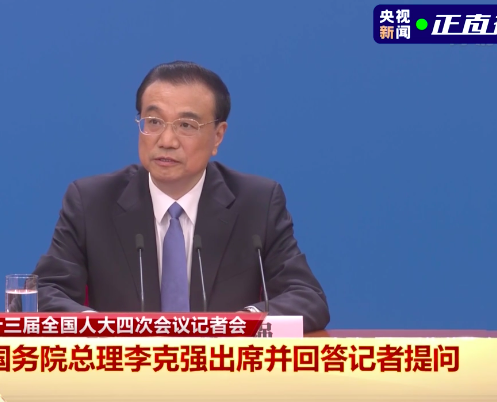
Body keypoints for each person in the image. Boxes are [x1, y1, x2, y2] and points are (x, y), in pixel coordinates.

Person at [32, 61, 330, 332]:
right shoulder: (91, 202)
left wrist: (241, 325)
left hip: (223, 369)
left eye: (186, 125)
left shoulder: (257, 203)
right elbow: (45, 292)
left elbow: (307, 297)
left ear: (218, 136)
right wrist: (104, 329)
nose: (166, 140)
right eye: (153, 121)